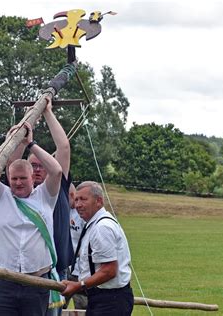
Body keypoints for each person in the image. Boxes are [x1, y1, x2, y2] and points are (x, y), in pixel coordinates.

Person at [0, 121, 63, 316]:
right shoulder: (1, 196)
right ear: (8, 178)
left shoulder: (46, 196)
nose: (17, 183)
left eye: (22, 178)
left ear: (32, 177)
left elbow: (57, 171)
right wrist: (8, 143)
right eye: (14, 178)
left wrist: (30, 144)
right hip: (2, 283)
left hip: (36, 283)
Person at [9, 97, 73, 315]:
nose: (37, 170)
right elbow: (9, 163)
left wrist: (46, 112)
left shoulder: (57, 187)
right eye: (32, 165)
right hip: (24, 271)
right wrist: (24, 130)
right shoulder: (17, 193)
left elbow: (63, 147)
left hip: (56, 268)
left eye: (41, 165)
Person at [61, 181, 134, 315]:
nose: (78, 205)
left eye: (83, 199)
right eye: (76, 200)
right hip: (105, 298)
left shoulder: (102, 228)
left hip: (110, 301)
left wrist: (79, 285)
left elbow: (109, 270)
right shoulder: (95, 224)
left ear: (99, 201)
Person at [63, 184, 88, 310]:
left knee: (82, 306)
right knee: (59, 305)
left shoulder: (84, 214)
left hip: (81, 270)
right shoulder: (64, 211)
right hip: (65, 268)